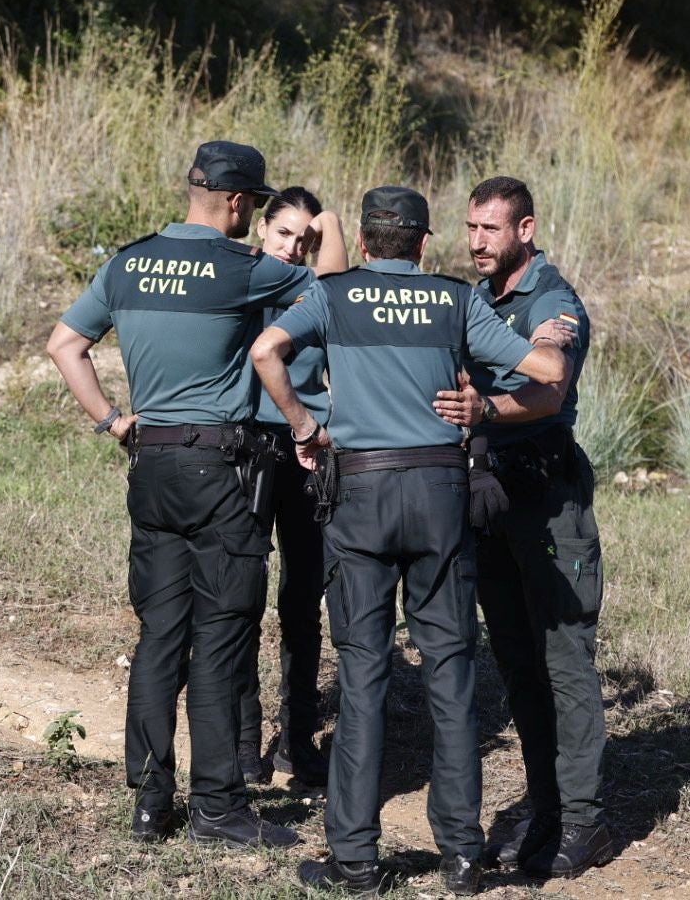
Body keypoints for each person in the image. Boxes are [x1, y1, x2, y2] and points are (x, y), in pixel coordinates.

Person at [251, 185, 569, 896]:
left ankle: (355, 859)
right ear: (424, 244)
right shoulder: (455, 300)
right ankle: (462, 856)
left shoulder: (332, 295)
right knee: (451, 673)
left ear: (365, 243)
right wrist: (486, 404)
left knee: (363, 673)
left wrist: (305, 427)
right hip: (439, 497)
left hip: (361, 496)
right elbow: (548, 372)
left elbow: (266, 350)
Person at [45, 140, 314, 849]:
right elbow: (334, 287)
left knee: (160, 636)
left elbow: (65, 345)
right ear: (237, 202)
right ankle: (218, 809)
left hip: (152, 463)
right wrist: (327, 226)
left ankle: (149, 802)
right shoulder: (244, 268)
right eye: (255, 204)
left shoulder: (127, 263)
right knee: (221, 637)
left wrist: (112, 420)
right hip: (221, 470)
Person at [430, 175, 612, 879]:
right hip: (491, 499)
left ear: (525, 230)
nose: (477, 242)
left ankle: (586, 822)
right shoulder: (479, 299)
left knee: (564, 660)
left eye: (491, 229)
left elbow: (550, 383)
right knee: (515, 660)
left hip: (547, 497)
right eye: (471, 228)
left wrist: (487, 412)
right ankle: (546, 808)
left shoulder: (551, 301)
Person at [239, 186, 348, 787]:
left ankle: (297, 741)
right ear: (261, 228)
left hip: (309, 449)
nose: (292, 246)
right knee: (241, 599)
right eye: (283, 232)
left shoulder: (317, 288)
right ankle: (243, 743)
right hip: (249, 446)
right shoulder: (244, 276)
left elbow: (335, 283)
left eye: (305, 239)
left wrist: (328, 224)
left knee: (303, 601)